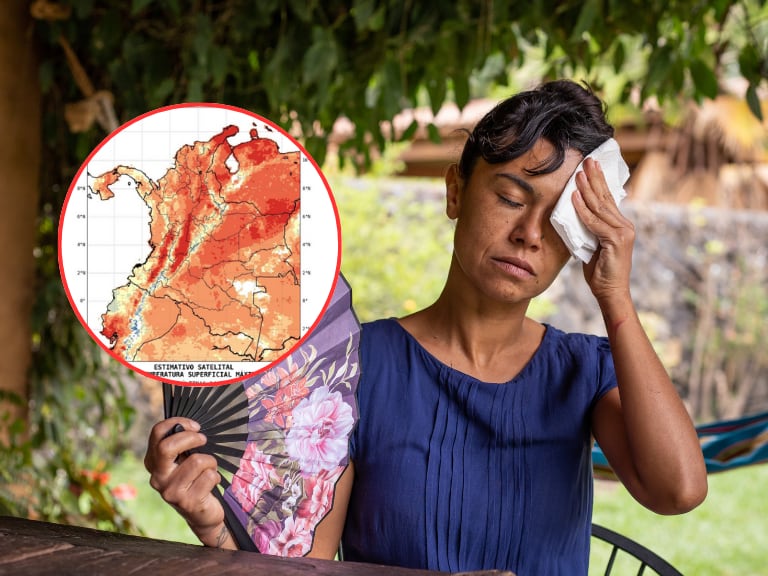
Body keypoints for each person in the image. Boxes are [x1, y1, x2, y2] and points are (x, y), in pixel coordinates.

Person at [144, 79, 707, 574]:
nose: (530, 234)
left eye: (560, 220)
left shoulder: (585, 370)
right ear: (456, 191)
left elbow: (678, 491)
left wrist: (616, 299)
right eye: (511, 198)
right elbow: (309, 566)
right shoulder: (356, 366)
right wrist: (212, 524)